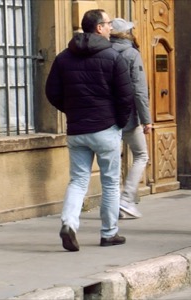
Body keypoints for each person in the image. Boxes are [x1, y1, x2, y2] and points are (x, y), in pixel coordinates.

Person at [45, 9, 135, 251]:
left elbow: (52, 92)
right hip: (106, 128)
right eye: (107, 24)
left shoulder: (63, 57)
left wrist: (72, 111)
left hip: (77, 129)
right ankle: (109, 233)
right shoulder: (113, 57)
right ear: (98, 28)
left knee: (78, 180)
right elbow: (126, 96)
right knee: (110, 182)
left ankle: (69, 224)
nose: (110, 28)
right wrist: (118, 122)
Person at [110, 18, 152, 219]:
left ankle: (114, 202)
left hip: (107, 116)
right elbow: (139, 90)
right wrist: (146, 119)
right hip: (128, 115)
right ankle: (126, 200)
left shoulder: (103, 52)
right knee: (141, 155)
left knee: (114, 159)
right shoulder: (131, 54)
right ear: (126, 33)